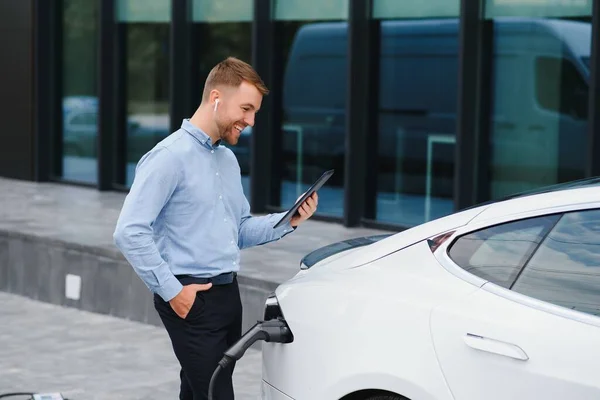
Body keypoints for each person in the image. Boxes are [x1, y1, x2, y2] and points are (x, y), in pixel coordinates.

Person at [113, 57, 318, 399]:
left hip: (227, 297)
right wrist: (173, 293)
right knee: (216, 394)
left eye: (254, 112)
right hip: (190, 299)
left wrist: (288, 220)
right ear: (216, 98)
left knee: (197, 392)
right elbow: (129, 231)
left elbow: (237, 231)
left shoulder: (227, 160)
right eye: (246, 109)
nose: (251, 121)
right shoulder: (168, 157)